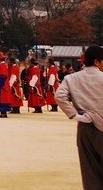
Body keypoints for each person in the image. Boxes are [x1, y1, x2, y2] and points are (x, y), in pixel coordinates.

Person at [56, 45, 103, 190]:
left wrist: (74, 114)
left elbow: (60, 96)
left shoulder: (72, 78)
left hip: (85, 127)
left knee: (90, 171)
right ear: (97, 61)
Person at [0, 52, 12, 118]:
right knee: (2, 99)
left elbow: (3, 76)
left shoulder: (2, 65)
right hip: (2, 84)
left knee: (2, 99)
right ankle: (3, 112)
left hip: (2, 85)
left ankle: (3, 113)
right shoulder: (3, 65)